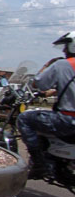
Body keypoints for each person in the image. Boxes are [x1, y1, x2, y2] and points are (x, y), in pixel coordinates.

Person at [17, 31, 75, 179]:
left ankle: (39, 164)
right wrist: (55, 91)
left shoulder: (62, 65)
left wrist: (47, 66)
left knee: (25, 119)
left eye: (66, 47)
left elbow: (39, 83)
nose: (63, 50)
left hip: (67, 121)